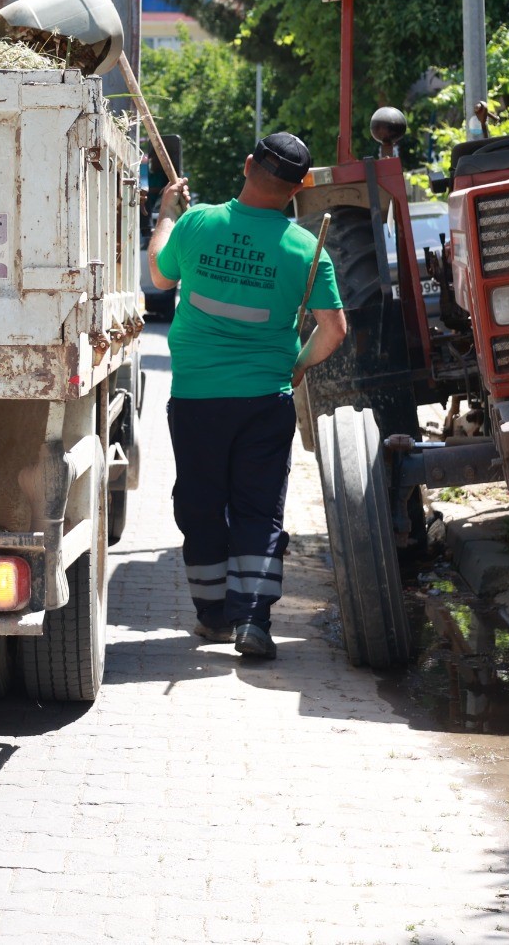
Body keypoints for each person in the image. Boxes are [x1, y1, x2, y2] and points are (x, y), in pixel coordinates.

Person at [146, 132, 348, 660]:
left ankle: (213, 616)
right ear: (299, 188)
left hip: (197, 400)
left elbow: (159, 276)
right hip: (265, 400)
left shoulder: (197, 223)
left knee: (201, 505)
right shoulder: (306, 249)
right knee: (259, 510)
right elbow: (333, 330)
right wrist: (297, 367)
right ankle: (253, 620)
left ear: (247, 165)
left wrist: (166, 214)